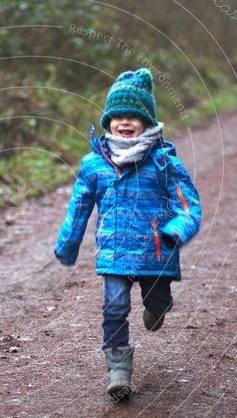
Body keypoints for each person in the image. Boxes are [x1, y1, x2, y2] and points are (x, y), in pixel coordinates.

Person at [54, 68, 201, 400]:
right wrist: (68, 244)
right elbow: (79, 206)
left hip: (156, 252)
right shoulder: (94, 165)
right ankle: (118, 368)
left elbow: (189, 205)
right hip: (114, 251)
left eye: (132, 116)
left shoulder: (164, 162)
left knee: (156, 302)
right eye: (117, 115)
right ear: (107, 121)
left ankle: (158, 307)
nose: (124, 122)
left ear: (146, 122)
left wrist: (174, 232)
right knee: (114, 307)